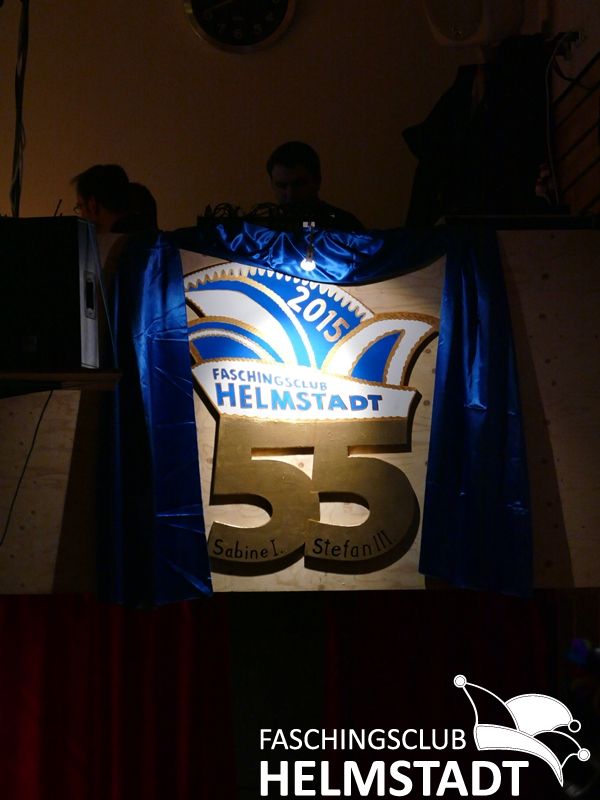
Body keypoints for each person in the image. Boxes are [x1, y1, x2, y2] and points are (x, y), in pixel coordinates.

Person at [266, 141, 364, 231]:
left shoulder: (344, 226)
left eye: (299, 184)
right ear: (272, 185)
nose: (290, 194)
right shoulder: (266, 229)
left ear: (317, 181)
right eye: (281, 186)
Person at [72, 164, 158, 233]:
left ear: (92, 205)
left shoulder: (112, 246)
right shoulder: (149, 235)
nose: (81, 216)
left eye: (80, 206)